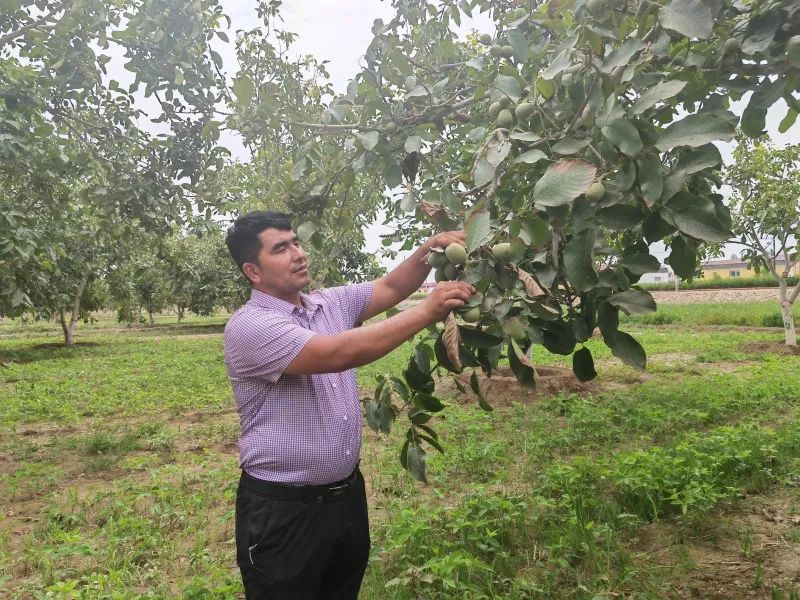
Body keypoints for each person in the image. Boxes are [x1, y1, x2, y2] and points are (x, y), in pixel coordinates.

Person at [223, 210, 474, 599]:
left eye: (296, 242)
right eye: (281, 248)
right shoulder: (250, 326)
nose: (298, 253)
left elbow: (391, 286)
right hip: (283, 511)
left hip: (345, 499)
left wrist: (429, 249)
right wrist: (426, 311)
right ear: (253, 271)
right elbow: (336, 352)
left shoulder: (327, 305)